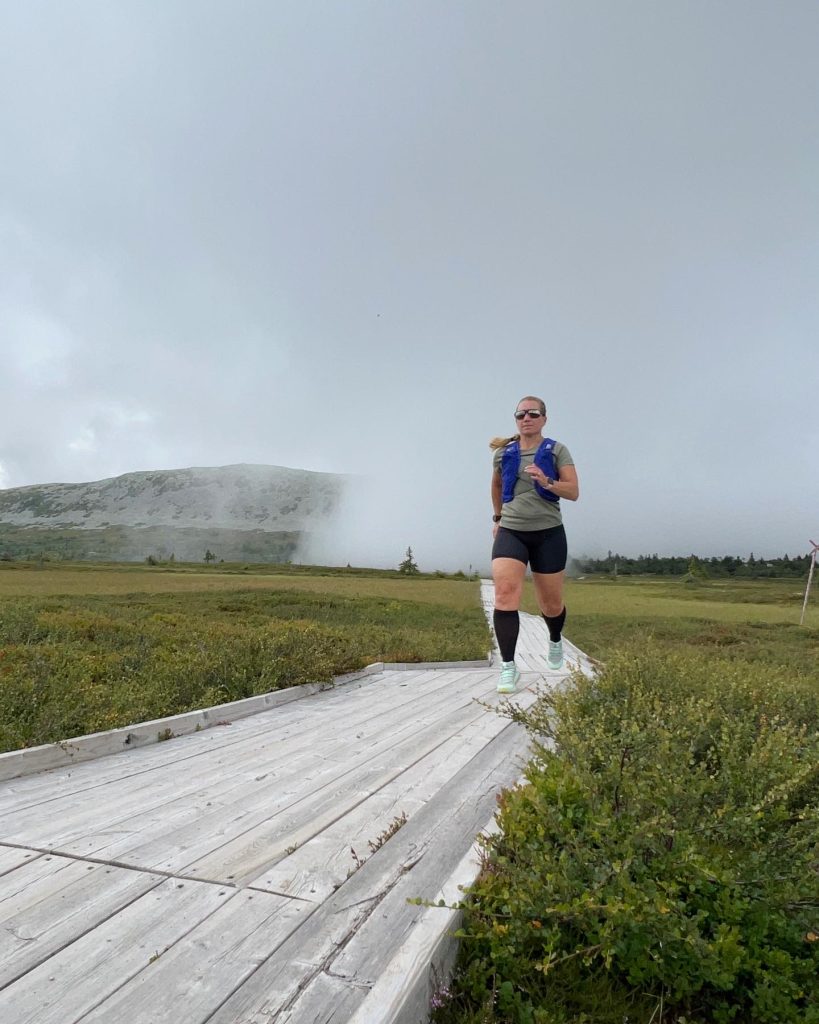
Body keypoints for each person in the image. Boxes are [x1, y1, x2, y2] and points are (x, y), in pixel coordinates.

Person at [490, 395, 579, 693]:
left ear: (544, 418)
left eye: (533, 413)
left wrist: (547, 482)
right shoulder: (504, 454)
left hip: (548, 533)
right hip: (511, 531)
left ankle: (555, 640)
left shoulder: (557, 451)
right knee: (504, 595)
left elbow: (574, 491)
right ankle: (508, 667)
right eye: (520, 414)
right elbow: (497, 485)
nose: (526, 418)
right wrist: (498, 517)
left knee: (551, 604)